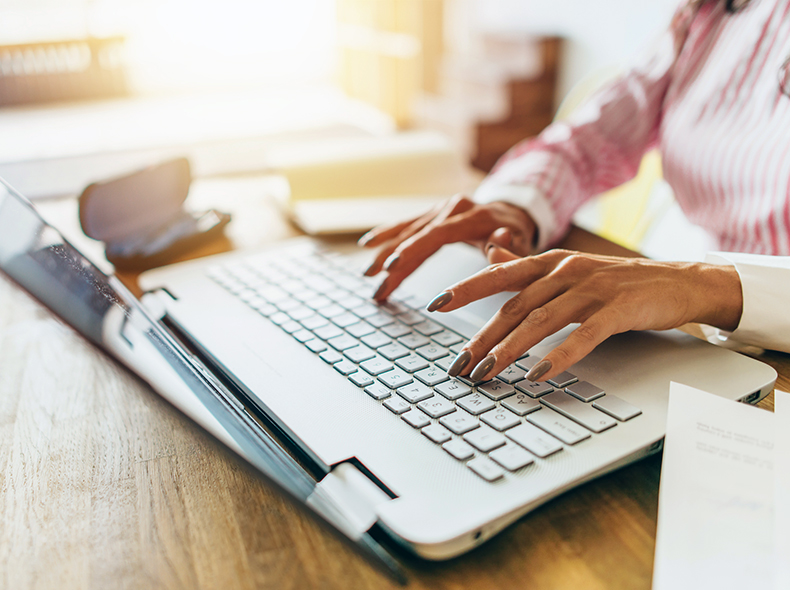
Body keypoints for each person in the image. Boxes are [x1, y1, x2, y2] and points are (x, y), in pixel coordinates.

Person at [358, 0, 790, 385]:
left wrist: (706, 286)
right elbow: (589, 140)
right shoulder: (712, 12)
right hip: (723, 347)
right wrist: (516, 205)